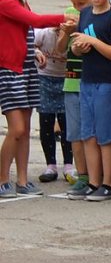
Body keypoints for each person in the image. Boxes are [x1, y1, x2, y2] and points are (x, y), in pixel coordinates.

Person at [0, 0, 68, 198]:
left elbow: (22, 33)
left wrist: (35, 51)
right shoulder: (5, 2)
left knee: (26, 128)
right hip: (10, 70)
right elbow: (36, 22)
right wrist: (69, 15)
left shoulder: (20, 1)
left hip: (27, 68)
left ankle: (21, 179)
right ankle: (2, 179)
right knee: (16, 129)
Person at [70, 0, 111, 201]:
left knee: (104, 135)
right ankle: (93, 182)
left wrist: (91, 41)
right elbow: (77, 49)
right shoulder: (85, 14)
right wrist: (78, 47)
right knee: (88, 135)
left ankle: (108, 183)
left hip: (108, 82)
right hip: (87, 80)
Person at [58, 0, 91, 196]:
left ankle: (96, 175)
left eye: (81, 4)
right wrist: (66, 34)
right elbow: (60, 49)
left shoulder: (94, 17)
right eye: (73, 3)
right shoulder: (70, 15)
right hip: (71, 82)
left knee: (92, 133)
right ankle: (83, 174)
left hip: (91, 80)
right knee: (75, 133)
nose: (75, 8)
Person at [33, 24, 73, 184]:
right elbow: (30, 42)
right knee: (46, 121)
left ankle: (69, 164)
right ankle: (51, 165)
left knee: (66, 123)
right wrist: (36, 52)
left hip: (66, 78)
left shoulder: (75, 36)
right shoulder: (45, 34)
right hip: (44, 77)